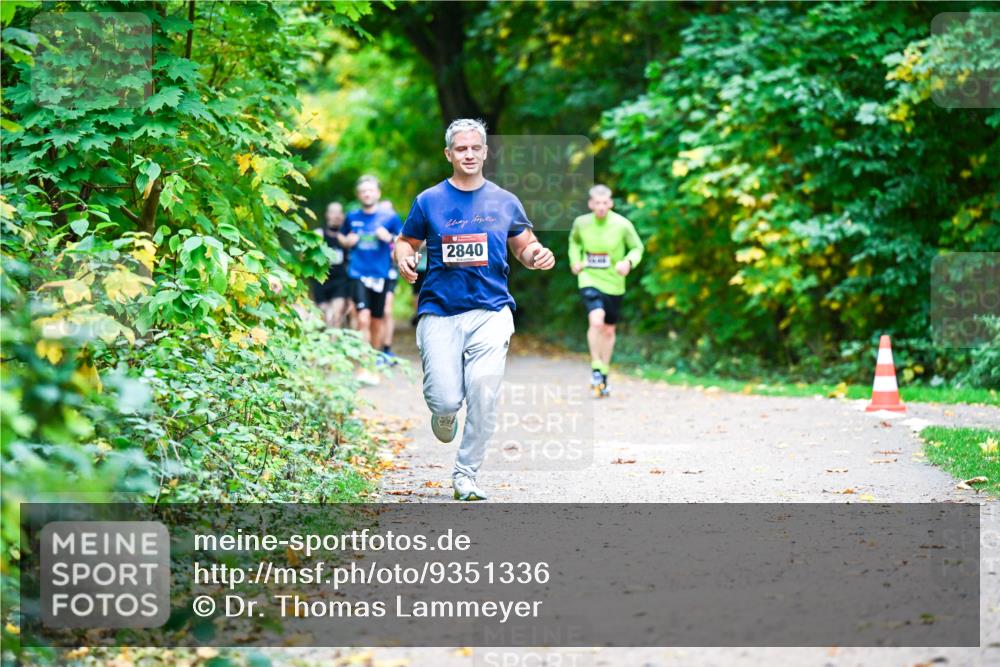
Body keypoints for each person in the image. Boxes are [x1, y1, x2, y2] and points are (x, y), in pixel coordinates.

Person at [394, 118, 555, 502]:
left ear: (485, 152)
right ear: (449, 154)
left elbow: (524, 245)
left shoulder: (504, 200)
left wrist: (537, 255)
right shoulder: (429, 200)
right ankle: (444, 411)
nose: (469, 154)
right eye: (461, 148)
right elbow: (406, 242)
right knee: (446, 398)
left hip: (491, 311)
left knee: (483, 395)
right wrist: (405, 259)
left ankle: (465, 475)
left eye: (475, 148)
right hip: (440, 310)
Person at [568, 184, 643, 397]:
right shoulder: (581, 223)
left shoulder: (622, 225)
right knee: (596, 320)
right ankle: (595, 367)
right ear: (591, 204)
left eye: (605, 203)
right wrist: (575, 261)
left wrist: (628, 262)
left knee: (609, 330)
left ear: (610, 203)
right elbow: (574, 243)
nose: (601, 207)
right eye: (597, 203)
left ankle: (604, 373)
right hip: (589, 278)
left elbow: (637, 248)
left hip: (614, 283)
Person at [343, 176, 402, 364]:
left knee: (377, 320)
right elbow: (342, 239)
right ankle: (364, 360)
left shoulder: (390, 217)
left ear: (378, 193)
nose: (367, 194)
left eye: (370, 190)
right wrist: (347, 242)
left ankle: (376, 356)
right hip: (358, 273)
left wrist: (389, 238)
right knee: (362, 318)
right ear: (358, 195)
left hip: (381, 274)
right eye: (363, 191)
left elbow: (403, 242)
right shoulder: (351, 217)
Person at [312, 202, 352, 329]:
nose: (336, 215)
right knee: (324, 315)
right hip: (321, 280)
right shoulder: (318, 234)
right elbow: (305, 255)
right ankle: (325, 345)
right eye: (332, 212)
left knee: (336, 314)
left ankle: (334, 345)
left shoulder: (347, 237)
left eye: (339, 212)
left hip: (340, 280)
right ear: (327, 215)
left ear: (343, 215)